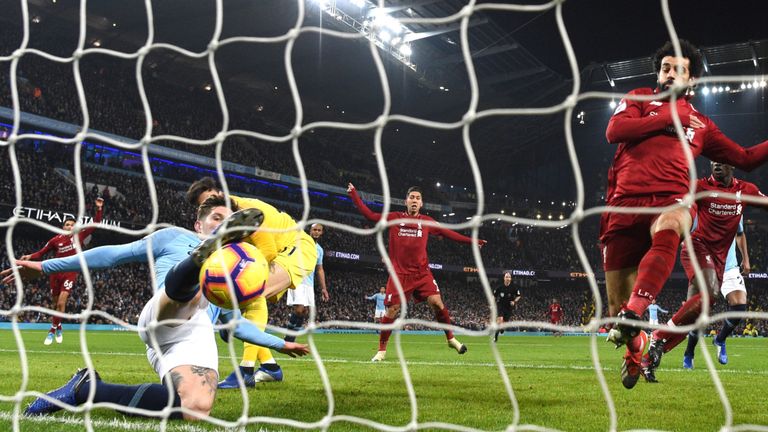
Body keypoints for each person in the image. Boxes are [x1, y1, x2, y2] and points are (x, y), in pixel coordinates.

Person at [4, 196, 309, 420]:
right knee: (191, 298)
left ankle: (86, 390)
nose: (221, 223)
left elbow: (235, 324)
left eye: (228, 222)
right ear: (198, 224)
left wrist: (279, 344)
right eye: (217, 218)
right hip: (164, 314)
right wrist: (45, 266)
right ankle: (195, 263)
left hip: (195, 334)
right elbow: (112, 255)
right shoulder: (172, 237)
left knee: (195, 407)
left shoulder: (235, 266)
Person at [600, 39, 768, 389]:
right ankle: (636, 343)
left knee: (674, 222)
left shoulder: (701, 123)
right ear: (658, 74)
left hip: (673, 198)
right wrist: (665, 116)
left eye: (679, 70)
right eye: (665, 68)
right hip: (624, 204)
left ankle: (636, 311)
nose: (670, 74)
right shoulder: (638, 98)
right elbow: (614, 131)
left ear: (692, 81)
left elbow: (746, 158)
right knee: (615, 309)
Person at [184, 177, 316, 388]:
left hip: (296, 247)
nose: (209, 207)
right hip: (278, 251)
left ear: (220, 193)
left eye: (210, 199)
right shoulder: (221, 219)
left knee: (253, 293)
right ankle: (270, 366)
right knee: (245, 297)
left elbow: (268, 251)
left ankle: (245, 371)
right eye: (202, 206)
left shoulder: (245, 212)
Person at [641, 162, 764, 381]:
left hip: (720, 261)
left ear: (732, 164)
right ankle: (658, 334)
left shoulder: (744, 190)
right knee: (710, 294)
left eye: (721, 160)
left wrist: (745, 259)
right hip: (696, 248)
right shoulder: (700, 187)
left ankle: (648, 360)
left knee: (693, 317)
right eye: (713, 160)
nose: (716, 163)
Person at [347, 183, 486, 361]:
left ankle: (451, 339)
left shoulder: (427, 221)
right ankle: (381, 350)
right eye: (412, 197)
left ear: (421, 203)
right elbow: (370, 215)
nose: (414, 200)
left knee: (437, 302)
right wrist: (354, 194)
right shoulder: (395, 218)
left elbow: (448, 233)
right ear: (406, 201)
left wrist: (472, 241)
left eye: (418, 198)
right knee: (392, 310)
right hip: (399, 274)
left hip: (422, 273)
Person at [19, 197, 103, 345]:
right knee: (55, 305)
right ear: (63, 227)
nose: (70, 227)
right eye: (67, 224)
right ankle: (59, 326)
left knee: (62, 302)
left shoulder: (80, 235)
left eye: (72, 225)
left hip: (70, 272)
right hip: (55, 272)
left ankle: (52, 330)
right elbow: (41, 253)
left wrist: (99, 209)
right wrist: (29, 256)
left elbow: (96, 223)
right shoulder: (55, 240)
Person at [681, 219, 747, 370]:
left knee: (740, 305)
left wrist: (746, 258)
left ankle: (720, 339)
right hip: (706, 266)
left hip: (729, 267)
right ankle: (689, 352)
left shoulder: (736, 207)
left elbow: (740, 234)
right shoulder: (701, 208)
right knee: (698, 314)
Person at [284, 223, 330, 343]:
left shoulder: (319, 250)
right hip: (297, 280)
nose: (316, 232)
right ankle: (289, 337)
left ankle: (290, 339)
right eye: (314, 229)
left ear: (321, 232)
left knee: (304, 312)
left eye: (319, 230)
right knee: (299, 310)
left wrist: (324, 288)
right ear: (310, 230)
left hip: (309, 284)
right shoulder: (301, 242)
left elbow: (319, 269)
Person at [493, 272, 521, 342]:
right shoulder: (499, 287)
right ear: (504, 278)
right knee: (499, 321)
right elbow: (494, 296)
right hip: (500, 306)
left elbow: (518, 296)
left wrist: (514, 301)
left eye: (509, 277)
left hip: (509, 307)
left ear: (510, 279)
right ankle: (495, 337)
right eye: (506, 277)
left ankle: (502, 329)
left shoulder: (514, 288)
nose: (508, 278)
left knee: (505, 323)